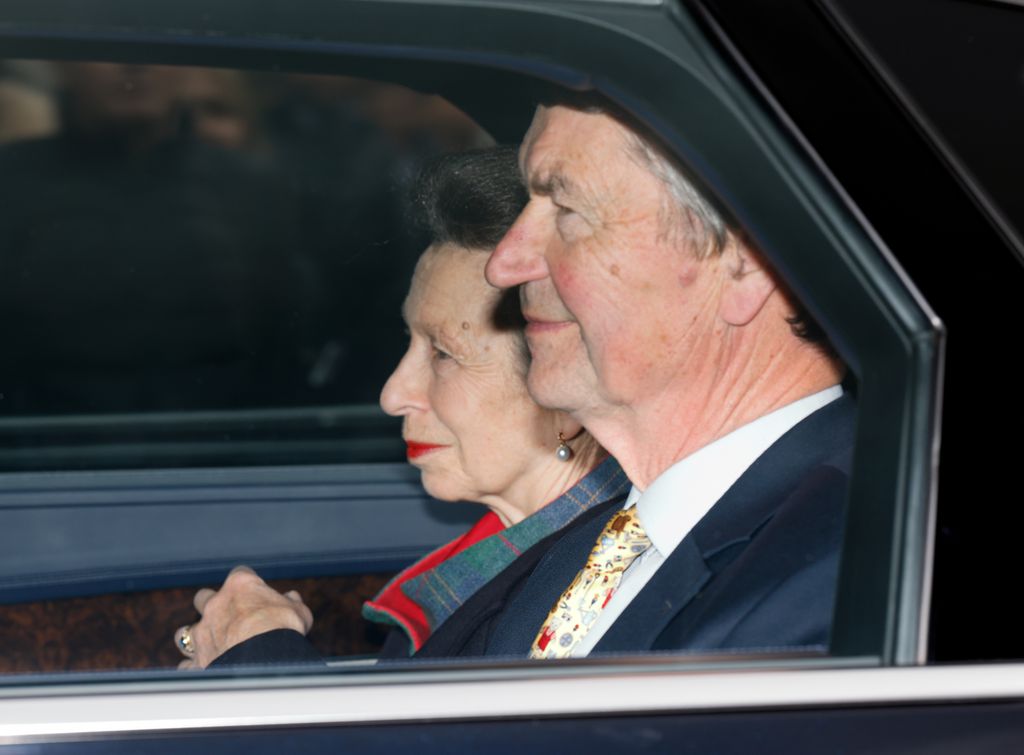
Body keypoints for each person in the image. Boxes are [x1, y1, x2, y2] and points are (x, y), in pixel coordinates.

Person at [173, 146, 632, 668]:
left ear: (565, 381)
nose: (392, 395)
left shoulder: (598, 599)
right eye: (409, 342)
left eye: (443, 353)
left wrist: (261, 657)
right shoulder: (491, 571)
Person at [469, 101, 852, 658]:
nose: (504, 263)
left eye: (567, 209)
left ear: (748, 263)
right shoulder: (596, 542)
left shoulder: (838, 581)